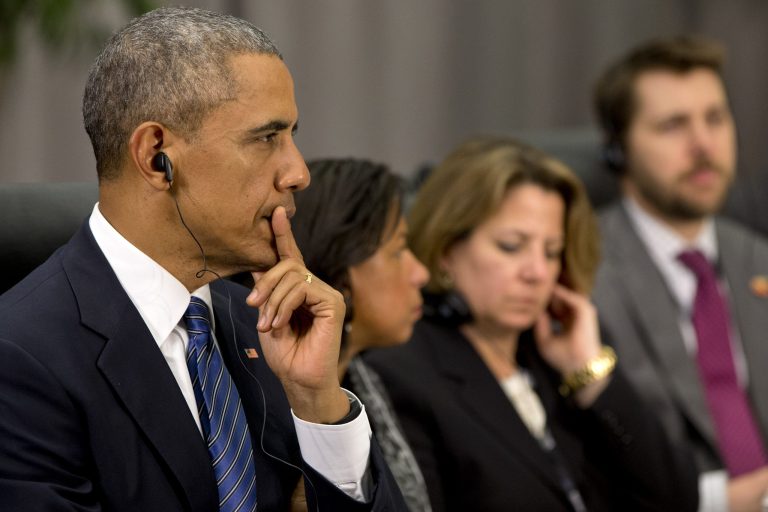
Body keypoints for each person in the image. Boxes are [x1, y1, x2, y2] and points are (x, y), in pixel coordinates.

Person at [0, 7, 406, 511]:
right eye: (265, 138)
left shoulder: (265, 322)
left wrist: (318, 404)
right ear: (156, 158)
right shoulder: (19, 356)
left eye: (292, 137)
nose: (299, 172)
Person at [364, 135, 699, 511]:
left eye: (552, 252)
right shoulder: (401, 372)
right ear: (446, 250)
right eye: (511, 246)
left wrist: (591, 377)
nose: (538, 272)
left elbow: (678, 498)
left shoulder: (564, 356)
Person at [592, 36, 768, 512]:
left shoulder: (758, 258)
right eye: (673, 125)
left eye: (715, 118)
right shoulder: (582, 271)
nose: (703, 144)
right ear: (617, 151)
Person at [288, 158, 432, 511]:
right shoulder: (266, 407)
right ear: (339, 278)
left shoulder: (371, 381)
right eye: (399, 250)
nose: (421, 273)